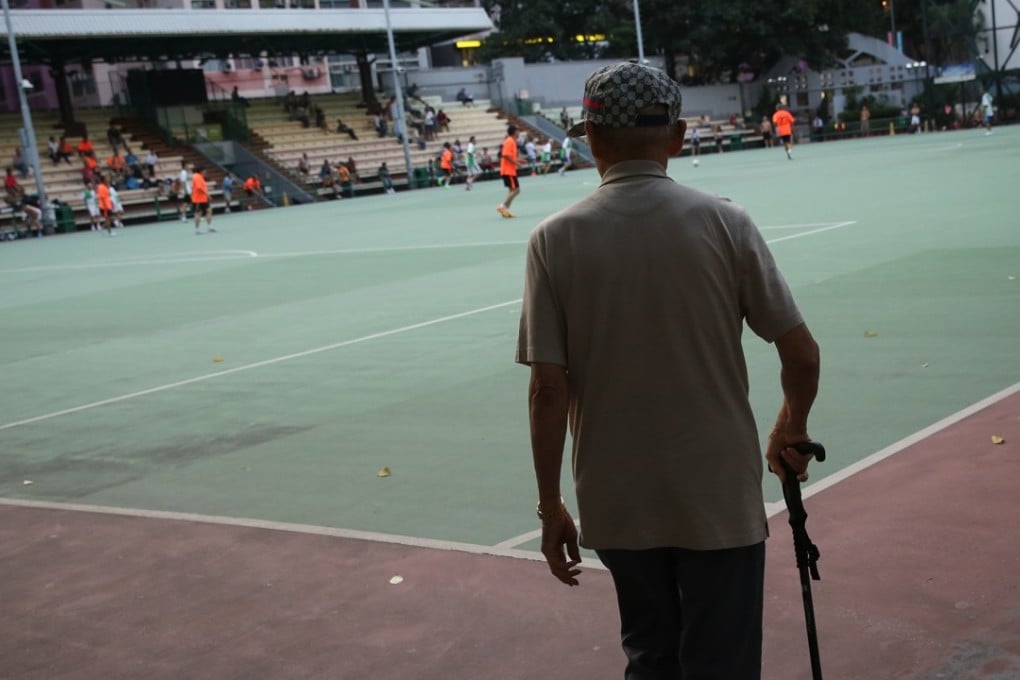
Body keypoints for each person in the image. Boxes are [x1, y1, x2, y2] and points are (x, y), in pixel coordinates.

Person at [517, 61, 821, 680]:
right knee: (724, 663)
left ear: (591, 138)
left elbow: (548, 390)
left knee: (651, 657)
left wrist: (551, 508)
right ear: (678, 137)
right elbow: (801, 352)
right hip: (718, 494)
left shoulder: (553, 239)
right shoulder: (726, 222)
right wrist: (790, 427)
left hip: (617, 499)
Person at [497, 124, 523, 218]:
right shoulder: (510, 141)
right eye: (518, 130)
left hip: (508, 170)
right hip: (508, 170)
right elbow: (505, 155)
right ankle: (502, 206)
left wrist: (518, 161)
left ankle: (506, 211)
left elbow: (510, 156)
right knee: (516, 190)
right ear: (514, 132)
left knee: (511, 190)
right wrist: (517, 163)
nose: (519, 132)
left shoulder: (511, 141)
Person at [191, 166, 214, 235]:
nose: (206, 172)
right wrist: (208, 195)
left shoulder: (200, 177)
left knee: (209, 211)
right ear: (201, 171)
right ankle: (197, 230)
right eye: (205, 170)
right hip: (198, 199)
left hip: (204, 199)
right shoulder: (196, 176)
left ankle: (209, 227)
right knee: (198, 214)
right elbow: (199, 188)